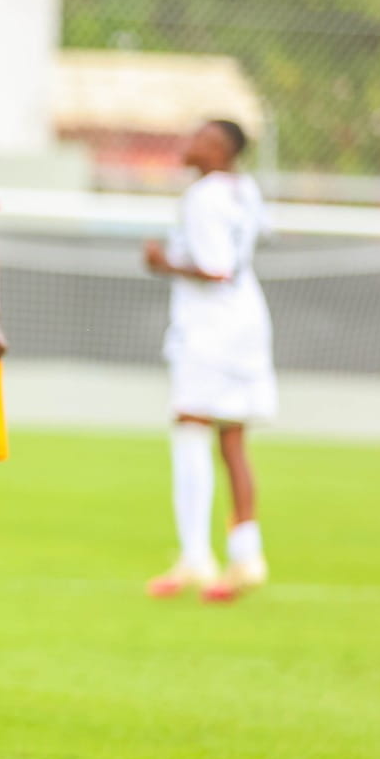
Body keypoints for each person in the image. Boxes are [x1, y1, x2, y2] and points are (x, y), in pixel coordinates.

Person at [144, 119, 273, 602]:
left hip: (210, 328)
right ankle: (247, 553)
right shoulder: (246, 189)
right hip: (248, 320)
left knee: (191, 427)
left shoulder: (203, 196)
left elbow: (215, 270)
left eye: (200, 137)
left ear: (220, 149)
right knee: (233, 439)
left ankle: (196, 555)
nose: (189, 142)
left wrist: (164, 263)